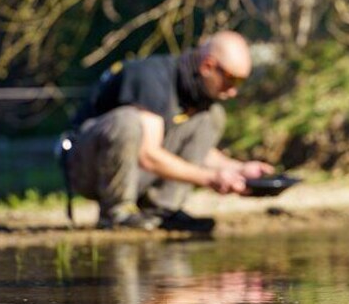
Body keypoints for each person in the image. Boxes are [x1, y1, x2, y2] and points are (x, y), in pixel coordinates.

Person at [65, 30, 274, 230]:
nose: (234, 91)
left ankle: (163, 210)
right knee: (128, 121)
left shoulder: (195, 94)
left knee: (211, 116)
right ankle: (116, 212)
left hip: (136, 170)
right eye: (232, 79)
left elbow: (194, 151)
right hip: (87, 169)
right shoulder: (151, 77)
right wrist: (211, 178)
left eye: (241, 82)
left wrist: (238, 170)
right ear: (208, 66)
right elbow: (149, 155)